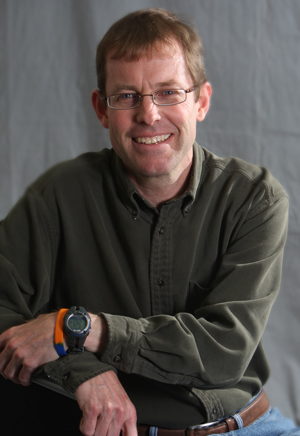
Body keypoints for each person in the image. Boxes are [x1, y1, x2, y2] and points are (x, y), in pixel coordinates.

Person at [0, 7, 298, 436]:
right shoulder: (58, 197)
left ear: (202, 101)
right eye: (126, 96)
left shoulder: (255, 199)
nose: (149, 115)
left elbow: (224, 350)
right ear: (101, 110)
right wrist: (80, 369)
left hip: (247, 425)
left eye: (169, 92)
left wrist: (79, 328)